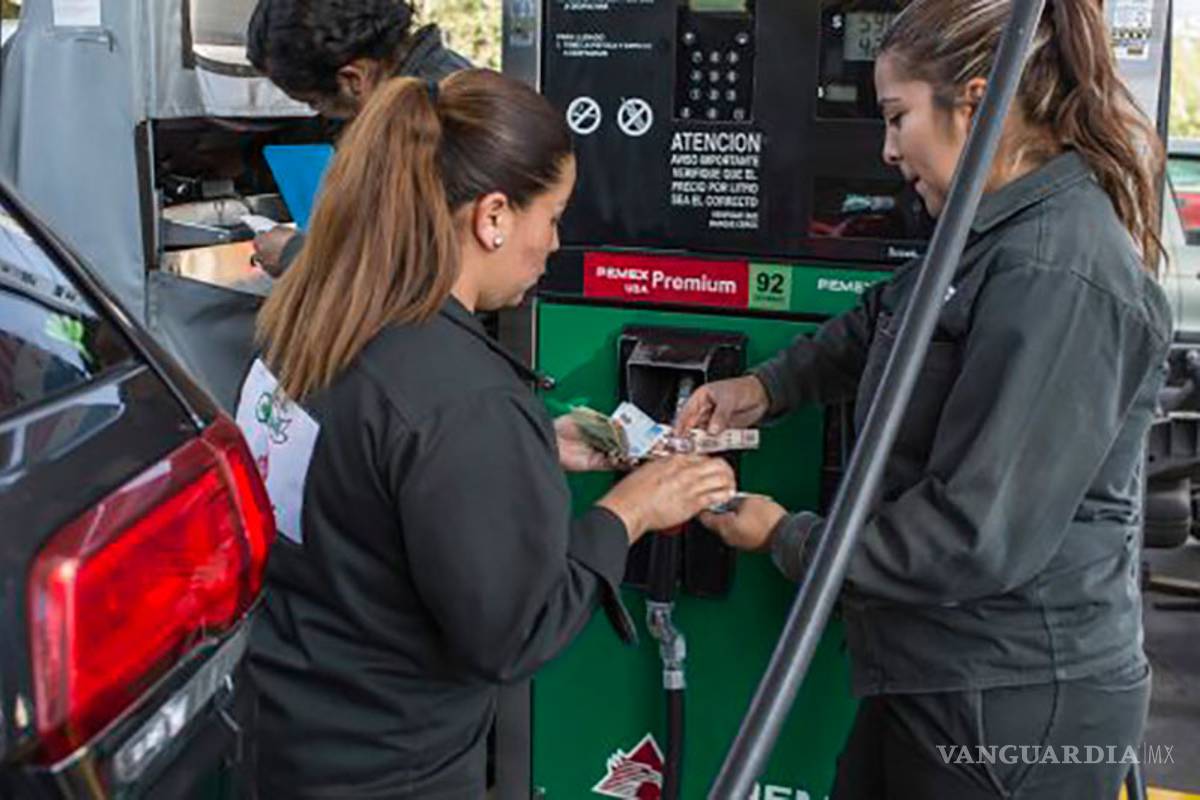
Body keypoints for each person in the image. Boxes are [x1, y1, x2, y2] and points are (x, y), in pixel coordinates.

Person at [680, 1, 1171, 798]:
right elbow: (891, 318)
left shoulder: (1054, 273)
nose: (885, 149)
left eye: (897, 117)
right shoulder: (992, 234)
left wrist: (789, 538)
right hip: (941, 669)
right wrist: (766, 388)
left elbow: (971, 534)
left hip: (1012, 699)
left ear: (975, 99)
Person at [234, 69, 737, 798]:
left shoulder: (306, 327)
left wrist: (531, 446)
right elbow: (514, 633)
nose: (555, 243)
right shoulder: (462, 399)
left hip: (285, 739)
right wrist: (630, 511)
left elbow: (364, 496)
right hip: (396, 774)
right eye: (554, 215)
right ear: (493, 215)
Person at [246, 0, 470, 276]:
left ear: (354, 79)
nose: (318, 114)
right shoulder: (445, 80)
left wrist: (295, 255)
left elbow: (413, 268)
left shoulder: (428, 119)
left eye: (313, 102)